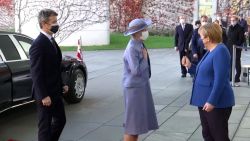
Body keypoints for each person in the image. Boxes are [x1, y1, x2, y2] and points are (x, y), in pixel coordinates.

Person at [183, 23, 235, 141]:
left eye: (201, 36)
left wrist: (212, 101)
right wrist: (190, 65)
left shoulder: (220, 51)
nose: (200, 39)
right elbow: (203, 71)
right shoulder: (211, 50)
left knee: (219, 137)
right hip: (204, 101)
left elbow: (220, 80)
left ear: (208, 37)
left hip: (216, 104)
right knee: (208, 135)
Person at [29, 9, 68, 141]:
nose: (57, 24)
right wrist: (43, 95)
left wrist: (62, 84)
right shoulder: (38, 45)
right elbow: (36, 73)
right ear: (44, 23)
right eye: (54, 22)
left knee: (61, 121)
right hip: (45, 95)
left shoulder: (51, 40)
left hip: (56, 91)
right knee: (45, 127)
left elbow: (55, 67)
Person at [122, 18, 158, 141]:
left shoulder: (139, 43)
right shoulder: (132, 47)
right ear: (138, 32)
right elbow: (135, 70)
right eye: (144, 29)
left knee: (137, 125)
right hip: (134, 89)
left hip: (141, 86)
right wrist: (144, 58)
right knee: (133, 125)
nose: (146, 31)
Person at [227, 15, 245, 83]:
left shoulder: (240, 28)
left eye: (233, 20)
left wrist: (236, 45)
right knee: (231, 62)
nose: (232, 22)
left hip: (236, 48)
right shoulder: (230, 27)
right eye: (231, 20)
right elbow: (228, 37)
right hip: (229, 48)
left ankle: (237, 77)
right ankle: (231, 77)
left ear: (237, 21)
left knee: (237, 62)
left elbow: (241, 39)